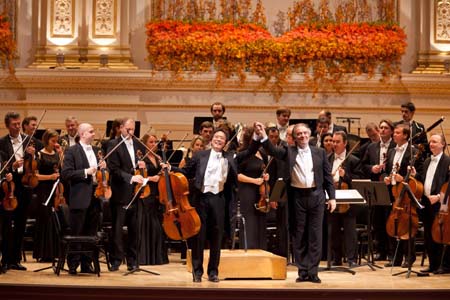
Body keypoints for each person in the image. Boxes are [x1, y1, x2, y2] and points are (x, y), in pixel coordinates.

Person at [170, 128, 257, 283]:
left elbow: (250, 151)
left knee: (217, 237)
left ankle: (213, 272)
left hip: (219, 199)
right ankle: (197, 271)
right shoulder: (200, 155)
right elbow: (185, 172)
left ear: (225, 142)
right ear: (211, 139)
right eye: (216, 137)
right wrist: (170, 168)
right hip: (201, 199)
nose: (218, 140)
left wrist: (257, 137)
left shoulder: (231, 156)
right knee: (199, 236)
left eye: (222, 138)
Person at [254, 122, 336, 283]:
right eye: (299, 134)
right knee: (299, 234)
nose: (302, 136)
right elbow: (272, 150)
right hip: (297, 196)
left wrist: (332, 197)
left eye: (305, 133)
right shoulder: (288, 151)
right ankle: (303, 270)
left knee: (315, 235)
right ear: (294, 137)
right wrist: (263, 135)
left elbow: (328, 177)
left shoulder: (319, 152)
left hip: (316, 196)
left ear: (309, 134)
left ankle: (313, 271)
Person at [61, 123, 106, 275]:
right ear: (82, 134)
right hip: (80, 197)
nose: (94, 134)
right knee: (77, 232)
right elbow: (66, 174)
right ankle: (73, 264)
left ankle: (87, 264)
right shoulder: (72, 151)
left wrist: (104, 168)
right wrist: (86, 171)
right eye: (91, 132)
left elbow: (103, 174)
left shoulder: (97, 150)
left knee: (91, 232)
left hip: (96, 196)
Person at [106, 118, 146, 271]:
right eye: (128, 129)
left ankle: (133, 261)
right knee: (117, 229)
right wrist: (130, 178)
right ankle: (116, 260)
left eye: (133, 129)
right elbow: (114, 169)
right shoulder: (113, 144)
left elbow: (146, 162)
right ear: (121, 128)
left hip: (136, 193)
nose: (131, 132)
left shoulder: (137, 143)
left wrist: (143, 165)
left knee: (135, 229)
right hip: (120, 193)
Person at [382, 123, 423, 268]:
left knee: (407, 224)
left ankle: (409, 257)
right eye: (395, 133)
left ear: (406, 135)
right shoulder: (392, 151)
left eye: (398, 133)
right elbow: (388, 170)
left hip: (407, 192)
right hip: (393, 192)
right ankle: (395, 257)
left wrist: (404, 177)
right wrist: (387, 177)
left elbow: (419, 173)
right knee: (394, 224)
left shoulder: (414, 151)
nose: (394, 135)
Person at [0, 112, 37, 271]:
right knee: (7, 224)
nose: (17, 126)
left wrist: (33, 155)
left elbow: (37, 162)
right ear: (7, 125)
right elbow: (1, 166)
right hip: (9, 186)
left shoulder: (29, 140)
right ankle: (5, 260)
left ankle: (15, 259)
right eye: (14, 124)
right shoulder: (1, 143)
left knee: (21, 224)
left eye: (18, 123)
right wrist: (12, 167)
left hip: (25, 185)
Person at [413, 133, 450, 274]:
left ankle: (444, 265)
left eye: (434, 142)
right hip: (427, 202)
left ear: (443, 144)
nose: (431, 144)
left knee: (440, 234)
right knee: (429, 235)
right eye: (430, 142)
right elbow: (424, 180)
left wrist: (439, 197)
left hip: (442, 204)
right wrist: (416, 175)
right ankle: (433, 264)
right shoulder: (427, 161)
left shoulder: (447, 161)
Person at [360, 119, 396, 261]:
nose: (382, 130)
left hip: (391, 188)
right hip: (376, 187)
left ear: (391, 131)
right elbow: (363, 166)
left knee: (390, 220)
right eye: (380, 127)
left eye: (386, 128)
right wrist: (372, 168)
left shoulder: (395, 146)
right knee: (378, 220)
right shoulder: (372, 147)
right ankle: (381, 251)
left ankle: (392, 252)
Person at [328, 131, 362, 268]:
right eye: (333, 141)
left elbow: (359, 180)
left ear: (345, 143)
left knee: (349, 230)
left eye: (337, 142)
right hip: (332, 198)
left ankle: (351, 258)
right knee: (334, 229)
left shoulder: (353, 160)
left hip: (349, 201)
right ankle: (336, 258)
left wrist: (346, 175)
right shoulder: (327, 158)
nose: (334, 144)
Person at [236, 127, 270, 249]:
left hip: (260, 190)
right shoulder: (242, 154)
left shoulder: (262, 152)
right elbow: (237, 175)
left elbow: (265, 169)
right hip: (247, 190)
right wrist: (254, 181)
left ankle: (261, 248)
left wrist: (266, 176)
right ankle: (249, 248)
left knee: (261, 218)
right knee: (249, 219)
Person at [138, 133, 168, 265]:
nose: (154, 144)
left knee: (158, 227)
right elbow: (138, 177)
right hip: (147, 193)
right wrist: (151, 178)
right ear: (144, 144)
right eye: (151, 142)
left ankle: (158, 257)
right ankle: (146, 258)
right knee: (149, 225)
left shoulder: (158, 157)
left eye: (155, 142)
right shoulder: (142, 159)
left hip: (159, 194)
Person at [32, 129, 62, 262]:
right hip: (43, 190)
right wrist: (50, 177)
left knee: (53, 219)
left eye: (57, 141)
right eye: (53, 141)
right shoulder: (39, 155)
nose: (55, 144)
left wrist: (62, 155)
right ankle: (43, 253)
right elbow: (35, 176)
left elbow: (61, 169)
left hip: (55, 190)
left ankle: (53, 252)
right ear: (46, 140)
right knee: (44, 219)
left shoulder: (57, 154)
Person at [0, 154, 14, 273]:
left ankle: (5, 261)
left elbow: (6, 176)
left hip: (5, 201)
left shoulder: (2, 157)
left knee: (6, 233)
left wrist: (8, 177)